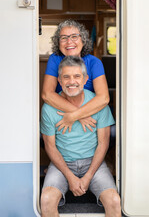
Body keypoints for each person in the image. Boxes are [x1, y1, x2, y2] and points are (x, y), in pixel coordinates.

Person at [40, 56, 121, 217]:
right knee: (46, 200)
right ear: (59, 81)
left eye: (77, 76)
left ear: (85, 79)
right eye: (66, 77)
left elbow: (103, 143)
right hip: (61, 164)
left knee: (114, 201)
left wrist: (88, 176)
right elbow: (50, 146)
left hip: (94, 163)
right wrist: (70, 177)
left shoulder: (98, 104)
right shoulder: (49, 109)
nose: (72, 81)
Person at [42, 19, 110, 133]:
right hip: (64, 115)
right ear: (58, 43)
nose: (69, 42)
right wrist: (79, 115)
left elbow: (103, 98)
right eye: (64, 38)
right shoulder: (54, 59)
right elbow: (47, 94)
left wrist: (74, 116)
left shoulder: (94, 62)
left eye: (74, 36)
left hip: (90, 116)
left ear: (83, 40)